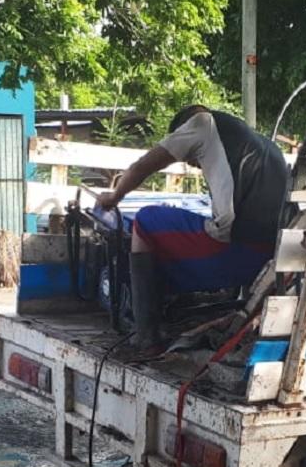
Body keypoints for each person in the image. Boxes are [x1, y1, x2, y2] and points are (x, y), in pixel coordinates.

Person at [97, 105, 289, 350]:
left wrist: (113, 197)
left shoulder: (201, 123)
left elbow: (141, 167)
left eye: (189, 159)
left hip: (232, 248)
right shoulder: (265, 145)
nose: (195, 164)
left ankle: (145, 333)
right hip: (270, 257)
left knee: (145, 221)